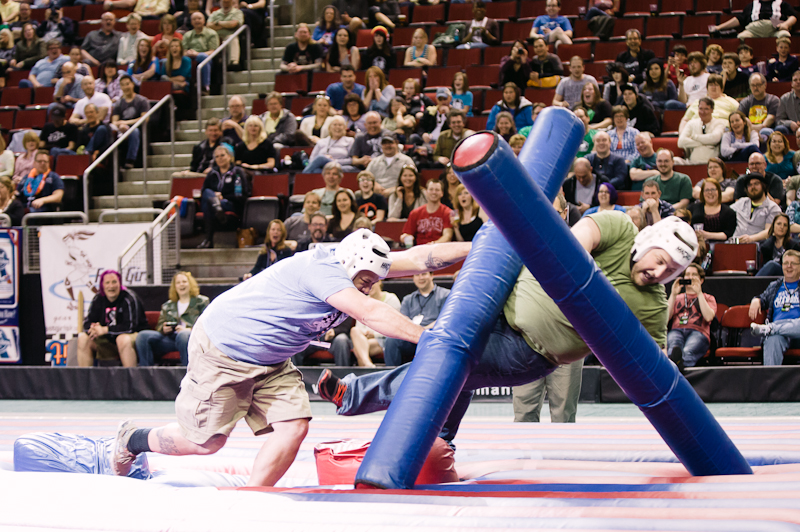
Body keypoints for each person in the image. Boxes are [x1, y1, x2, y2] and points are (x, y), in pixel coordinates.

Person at [109, 229, 470, 486]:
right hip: (224, 349)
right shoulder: (322, 271)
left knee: (294, 426)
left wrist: (481, 243)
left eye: (372, 281)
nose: (367, 286)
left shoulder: (359, 261)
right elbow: (369, 313)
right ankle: (132, 439)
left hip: (272, 358)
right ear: (347, 266)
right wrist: (430, 338)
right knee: (204, 443)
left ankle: (252, 499)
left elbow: (422, 257)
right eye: (362, 280)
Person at [320, 214, 697, 445]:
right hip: (498, 299)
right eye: (661, 261)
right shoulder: (619, 228)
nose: (661, 273)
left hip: (530, 350)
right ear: (647, 242)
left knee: (455, 365)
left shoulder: (654, 304)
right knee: (450, 364)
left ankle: (354, 394)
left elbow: (652, 362)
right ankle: (441, 441)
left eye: (672, 273)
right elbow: (570, 246)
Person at [135, 272, 208, 367]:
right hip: (170, 339)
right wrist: (164, 329)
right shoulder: (167, 305)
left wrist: (189, 329)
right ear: (174, 286)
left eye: (184, 282)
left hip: (191, 339)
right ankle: (146, 375)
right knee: (142, 336)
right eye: (178, 283)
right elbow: (159, 326)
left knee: (183, 335)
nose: (181, 284)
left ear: (190, 284)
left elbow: (207, 324)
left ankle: (188, 374)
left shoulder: (201, 302)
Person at [77, 270, 146, 368]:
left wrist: (105, 330)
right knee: (83, 338)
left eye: (114, 282)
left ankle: (131, 380)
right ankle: (84, 381)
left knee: (122, 339)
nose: (111, 286)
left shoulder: (129, 298)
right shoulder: (98, 299)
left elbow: (130, 327)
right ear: (102, 285)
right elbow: (87, 323)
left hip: (134, 337)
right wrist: (94, 328)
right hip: (108, 338)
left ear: (120, 283)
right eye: (107, 283)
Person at [750, 249, 800, 365]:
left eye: (793, 263)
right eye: (786, 263)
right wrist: (756, 299)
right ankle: (770, 382)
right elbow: (763, 298)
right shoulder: (775, 286)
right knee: (772, 340)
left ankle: (770, 328)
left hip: (797, 331)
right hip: (781, 334)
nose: (789, 266)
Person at [197, 144, 251, 249]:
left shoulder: (237, 172)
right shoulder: (212, 173)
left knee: (209, 203)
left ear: (229, 157)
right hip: (216, 206)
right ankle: (217, 208)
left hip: (231, 203)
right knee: (208, 193)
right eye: (217, 157)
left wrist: (223, 196)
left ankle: (208, 240)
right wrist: (215, 196)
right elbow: (204, 191)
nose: (220, 159)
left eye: (222, 155)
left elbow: (242, 194)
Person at [667, 264, 717, 369]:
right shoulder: (677, 298)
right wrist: (673, 294)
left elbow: (708, 317)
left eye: (694, 275)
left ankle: (674, 370)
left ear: (701, 280)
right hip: (677, 330)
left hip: (698, 332)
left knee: (687, 352)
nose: (690, 277)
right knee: (673, 350)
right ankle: (679, 370)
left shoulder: (708, 298)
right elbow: (665, 319)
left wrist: (699, 293)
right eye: (687, 274)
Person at [349, 281, 401, 367]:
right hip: (365, 338)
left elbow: (395, 326)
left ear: (379, 282)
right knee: (354, 330)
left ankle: (366, 367)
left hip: (385, 339)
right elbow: (359, 326)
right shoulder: (363, 301)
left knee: (358, 349)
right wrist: (366, 334)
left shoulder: (391, 299)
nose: (369, 286)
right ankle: (368, 364)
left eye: (371, 283)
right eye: (365, 283)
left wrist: (374, 334)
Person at [400, 179, 453, 246]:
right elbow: (408, 233)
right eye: (431, 189)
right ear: (426, 192)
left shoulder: (447, 212)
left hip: (439, 249)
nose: (434, 192)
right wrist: (405, 237)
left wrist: (432, 245)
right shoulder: (415, 213)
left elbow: (447, 236)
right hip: (419, 250)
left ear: (442, 193)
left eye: (437, 190)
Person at [732, 172, 782, 243]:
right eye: (750, 185)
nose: (753, 187)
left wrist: (750, 238)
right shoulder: (741, 202)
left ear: (764, 186)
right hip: (735, 242)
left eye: (756, 184)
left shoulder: (773, 208)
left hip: (757, 244)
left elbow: (769, 231)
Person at [111, 75, 148, 169]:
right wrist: (121, 126)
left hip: (136, 128)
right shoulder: (119, 103)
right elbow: (114, 121)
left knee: (134, 131)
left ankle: (130, 160)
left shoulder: (142, 100)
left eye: (127, 84)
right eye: (123, 85)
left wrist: (126, 123)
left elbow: (145, 119)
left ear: (133, 84)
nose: (125, 87)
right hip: (121, 130)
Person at [711, 1, 796, 40]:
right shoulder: (751, 5)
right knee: (741, 37)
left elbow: (793, 16)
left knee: (785, 34)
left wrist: (786, 24)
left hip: (774, 29)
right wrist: (719, 27)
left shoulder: (782, 4)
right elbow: (739, 19)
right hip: (754, 30)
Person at [678, 97, 727, 164]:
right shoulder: (691, 123)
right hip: (691, 162)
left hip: (711, 163)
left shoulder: (719, 123)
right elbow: (681, 142)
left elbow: (715, 138)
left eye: (706, 109)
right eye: (700, 108)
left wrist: (694, 137)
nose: (703, 112)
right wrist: (707, 143)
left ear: (712, 110)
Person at [689, 177, 737, 243]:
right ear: (702, 193)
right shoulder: (692, 209)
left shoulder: (729, 212)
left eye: (713, 189)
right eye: (707, 190)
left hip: (721, 245)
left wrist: (707, 235)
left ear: (719, 192)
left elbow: (728, 234)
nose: (710, 192)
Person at [182, 12, 219, 95]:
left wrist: (197, 54)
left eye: (199, 19)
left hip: (207, 57)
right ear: (191, 22)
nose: (197, 21)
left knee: (203, 57)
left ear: (204, 21)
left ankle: (205, 87)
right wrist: (187, 52)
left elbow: (213, 51)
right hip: (190, 57)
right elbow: (183, 51)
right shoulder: (187, 35)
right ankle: (186, 87)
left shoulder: (211, 33)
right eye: (194, 19)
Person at [739, 73, 780, 143]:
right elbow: (741, 118)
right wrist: (751, 128)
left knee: (765, 131)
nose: (755, 88)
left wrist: (751, 127)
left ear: (765, 85)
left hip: (767, 131)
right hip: (749, 131)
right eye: (753, 85)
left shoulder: (773, 100)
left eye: (758, 85)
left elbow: (769, 121)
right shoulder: (745, 101)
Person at [207, 0, 244, 66]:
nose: (226, 1)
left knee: (232, 38)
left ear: (232, 1)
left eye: (228, 0)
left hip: (229, 36)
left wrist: (218, 23)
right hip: (216, 37)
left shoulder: (237, 12)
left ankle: (234, 62)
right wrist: (227, 25)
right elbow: (208, 25)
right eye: (224, 0)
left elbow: (233, 24)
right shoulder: (215, 13)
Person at [776, 70, 800, 141]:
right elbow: (778, 120)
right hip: (791, 129)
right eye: (795, 80)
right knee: (779, 129)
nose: (798, 82)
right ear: (791, 84)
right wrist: (790, 123)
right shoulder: (785, 99)